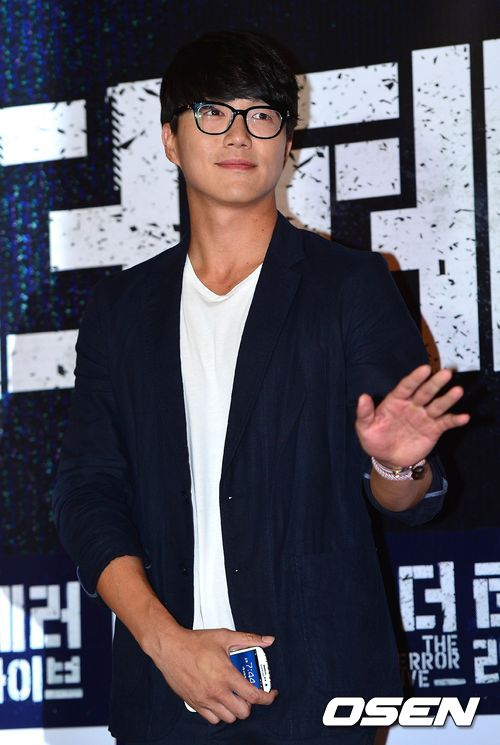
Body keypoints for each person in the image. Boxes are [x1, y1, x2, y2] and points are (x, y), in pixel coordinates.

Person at [53, 30, 469, 745]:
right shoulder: (122, 310)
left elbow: (408, 499)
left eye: (262, 115)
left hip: (320, 690)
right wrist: (165, 642)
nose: (239, 133)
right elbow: (87, 493)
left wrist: (395, 463)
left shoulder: (350, 286)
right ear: (170, 139)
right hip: (165, 699)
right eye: (214, 112)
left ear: (287, 143)